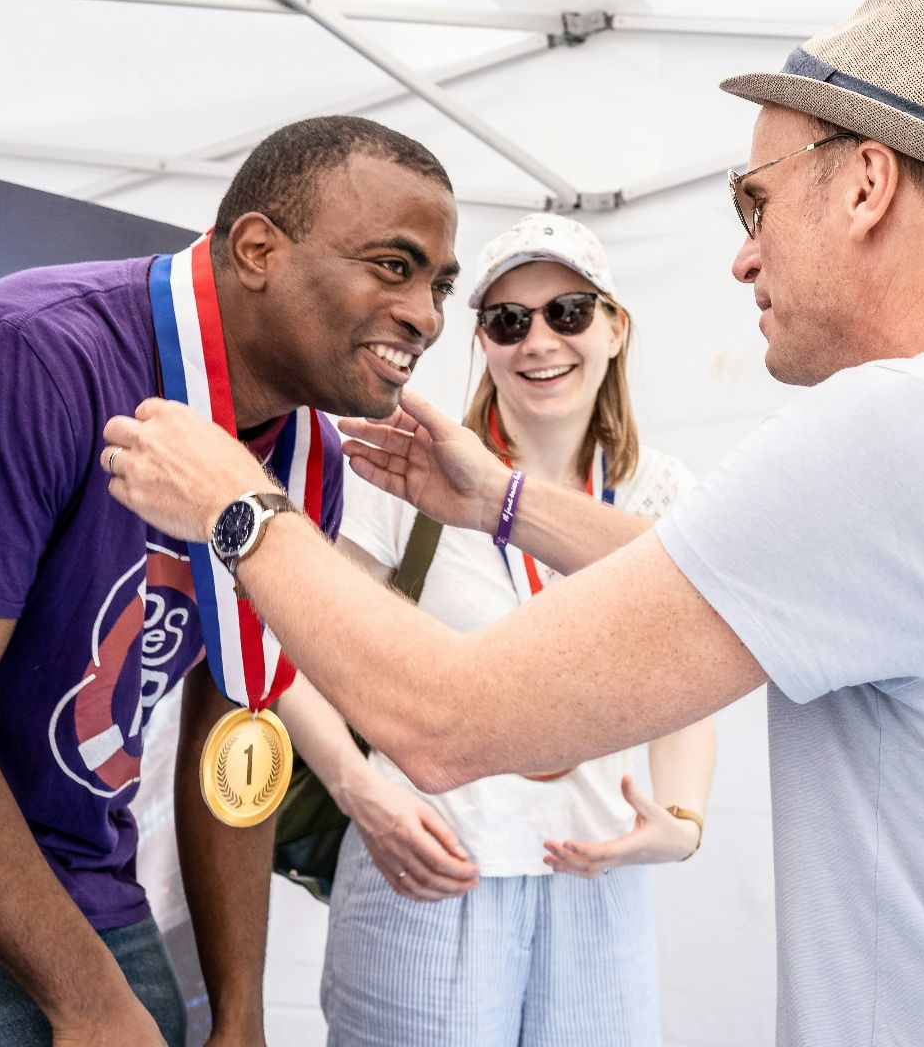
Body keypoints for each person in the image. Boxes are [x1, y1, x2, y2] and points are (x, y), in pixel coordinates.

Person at [101, 0, 924, 1046]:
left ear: (867, 182)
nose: (744, 261)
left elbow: (444, 721)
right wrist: (504, 503)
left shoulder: (905, 431)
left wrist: (235, 502)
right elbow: (723, 574)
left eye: (754, 202)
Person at [0, 115, 458, 1046]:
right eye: (393, 266)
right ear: (259, 249)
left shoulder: (308, 456)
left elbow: (238, 726)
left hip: (81, 868)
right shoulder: (29, 353)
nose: (427, 315)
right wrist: (90, 1004)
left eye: (439, 283)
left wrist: (239, 1014)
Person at [275, 213, 716, 1046]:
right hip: (430, 870)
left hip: (596, 878)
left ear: (616, 327)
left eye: (568, 311)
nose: (538, 340)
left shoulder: (659, 493)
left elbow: (692, 684)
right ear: (483, 342)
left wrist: (682, 823)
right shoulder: (415, 465)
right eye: (508, 321)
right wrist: (358, 792)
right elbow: (294, 645)